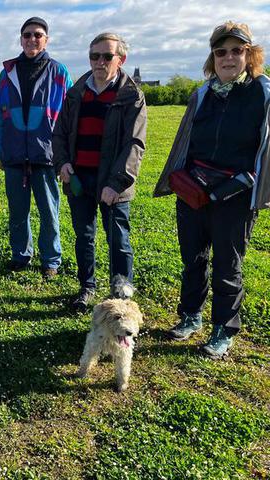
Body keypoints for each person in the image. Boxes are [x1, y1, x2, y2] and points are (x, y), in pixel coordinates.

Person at [154, 21, 269, 359]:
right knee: (192, 258)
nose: (229, 57)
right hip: (194, 190)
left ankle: (223, 329)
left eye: (237, 50)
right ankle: (191, 316)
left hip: (235, 193)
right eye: (221, 51)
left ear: (249, 55)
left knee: (227, 264)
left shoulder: (262, 92)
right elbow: (186, 141)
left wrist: (249, 182)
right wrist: (181, 179)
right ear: (213, 57)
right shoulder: (203, 93)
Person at [53, 33, 147, 309]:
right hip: (79, 177)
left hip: (113, 182)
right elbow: (59, 133)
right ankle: (87, 287)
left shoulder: (131, 96)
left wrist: (116, 183)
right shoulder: (76, 93)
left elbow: (135, 144)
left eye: (107, 56)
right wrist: (63, 163)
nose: (100, 61)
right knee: (84, 237)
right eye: (95, 56)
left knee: (118, 240)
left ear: (121, 59)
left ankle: (122, 296)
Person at [0, 17, 72, 278]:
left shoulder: (59, 72)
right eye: (27, 35)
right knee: (17, 211)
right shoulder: (8, 73)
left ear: (46, 39)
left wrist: (65, 154)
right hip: (14, 152)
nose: (32, 39)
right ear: (20, 39)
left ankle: (51, 259)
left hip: (46, 154)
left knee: (49, 212)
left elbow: (69, 116)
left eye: (37, 35)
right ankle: (21, 254)